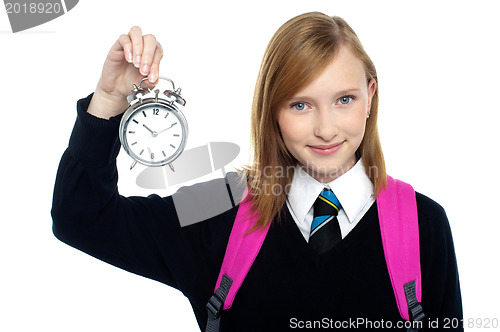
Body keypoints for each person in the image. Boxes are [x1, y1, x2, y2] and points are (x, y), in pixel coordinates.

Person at [51, 12, 463, 331]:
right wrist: (109, 98)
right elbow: (82, 218)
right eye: (300, 105)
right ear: (273, 111)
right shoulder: (222, 203)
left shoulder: (423, 224)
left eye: (344, 99)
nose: (325, 129)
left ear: (370, 95)